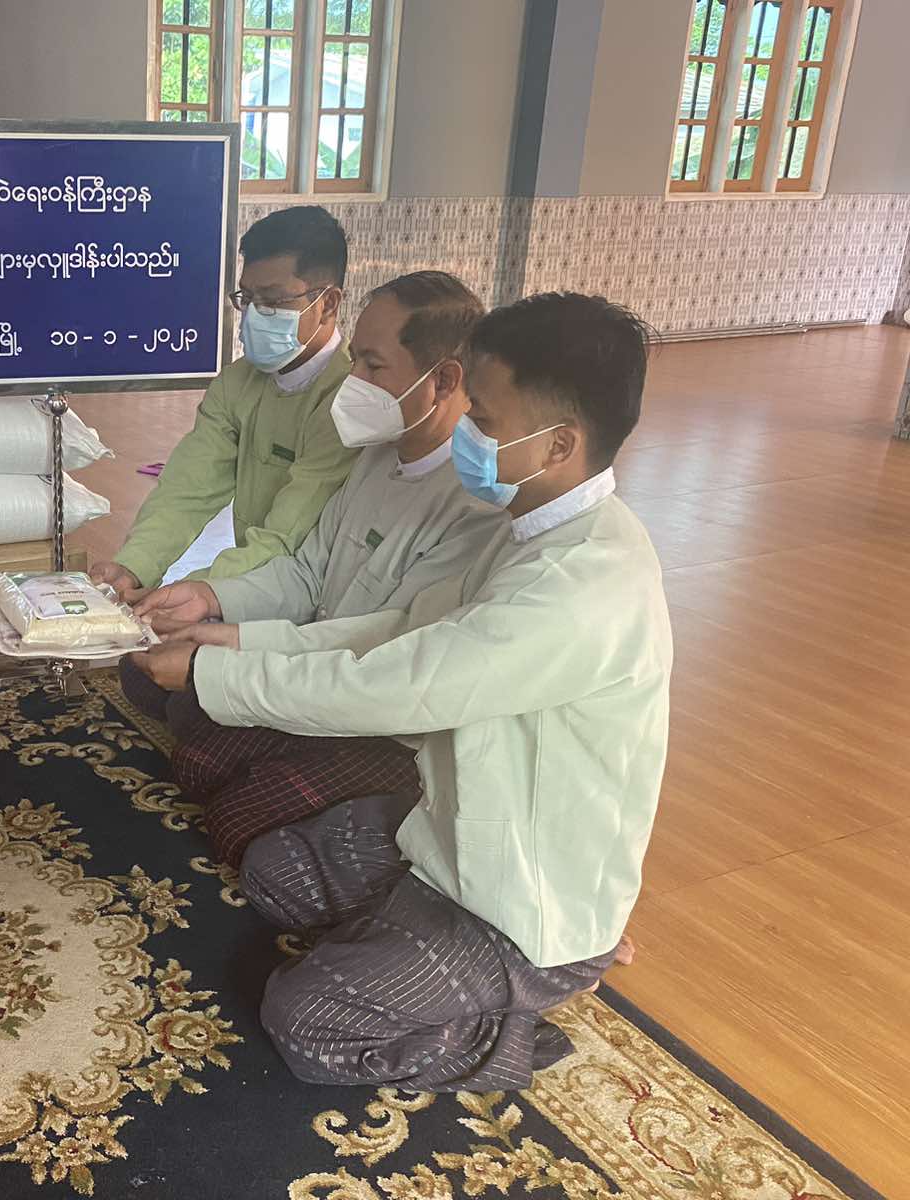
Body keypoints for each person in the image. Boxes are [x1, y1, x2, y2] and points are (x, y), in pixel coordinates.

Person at [135, 293, 670, 1089]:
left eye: (484, 419)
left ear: (559, 443)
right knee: (276, 872)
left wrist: (216, 674)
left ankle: (512, 1021)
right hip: (451, 838)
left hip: (520, 904)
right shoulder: (532, 533)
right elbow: (400, 631)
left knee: (306, 1021)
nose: (469, 434)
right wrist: (236, 639)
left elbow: (397, 686)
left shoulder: (578, 585)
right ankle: (418, 963)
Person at [117, 272, 500, 866]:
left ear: (444, 380)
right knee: (169, 703)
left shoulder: (475, 505)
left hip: (382, 714)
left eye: (372, 366)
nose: (353, 381)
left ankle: (396, 814)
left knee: (240, 823)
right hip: (309, 664)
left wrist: (233, 651)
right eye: (355, 361)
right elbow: (305, 573)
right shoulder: (377, 458)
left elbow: (384, 654)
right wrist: (209, 600)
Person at [89, 205, 359, 601]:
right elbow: (188, 487)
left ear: (329, 303)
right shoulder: (238, 382)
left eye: (273, 301)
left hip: (321, 595)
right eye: (247, 298)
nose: (255, 315)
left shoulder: (348, 401)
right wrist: (134, 567)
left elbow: (284, 537)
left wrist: (196, 593)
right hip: (251, 581)